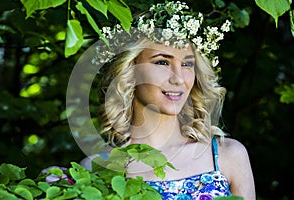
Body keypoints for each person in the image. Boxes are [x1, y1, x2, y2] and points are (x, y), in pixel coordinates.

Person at [81, 1, 256, 199]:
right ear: (130, 69)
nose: (178, 78)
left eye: (187, 64)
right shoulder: (96, 168)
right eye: (162, 62)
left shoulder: (228, 156)